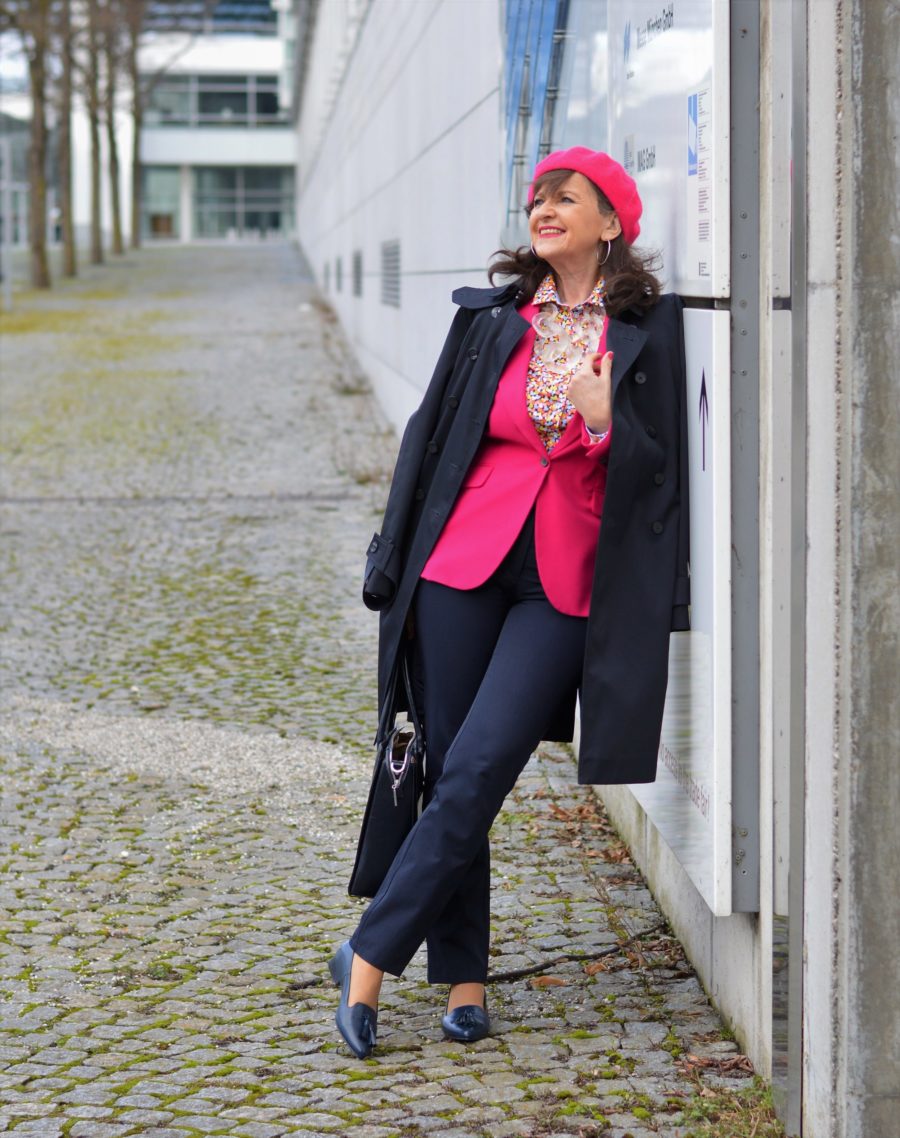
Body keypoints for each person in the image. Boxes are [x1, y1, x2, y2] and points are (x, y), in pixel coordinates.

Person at [329, 147, 690, 1058]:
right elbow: (430, 437)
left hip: (564, 578)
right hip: (462, 564)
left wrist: (603, 423)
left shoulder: (646, 329)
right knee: (452, 769)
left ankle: (368, 954)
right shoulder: (493, 318)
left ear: (611, 222)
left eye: (566, 197)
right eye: (538, 198)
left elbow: (660, 474)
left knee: (485, 764)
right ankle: (465, 983)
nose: (545, 208)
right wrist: (394, 559)